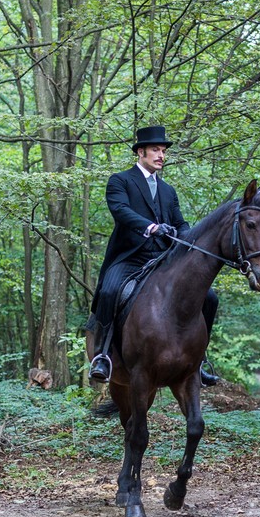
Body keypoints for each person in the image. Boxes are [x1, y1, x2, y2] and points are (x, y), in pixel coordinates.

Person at [87, 125, 220, 386]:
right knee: (109, 291)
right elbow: (121, 210)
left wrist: (188, 238)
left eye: (163, 151)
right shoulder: (120, 181)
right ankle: (102, 356)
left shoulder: (168, 190)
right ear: (141, 152)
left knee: (210, 297)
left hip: (163, 259)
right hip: (129, 257)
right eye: (156, 150)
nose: (161, 155)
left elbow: (180, 223)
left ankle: (199, 360)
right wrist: (151, 227)